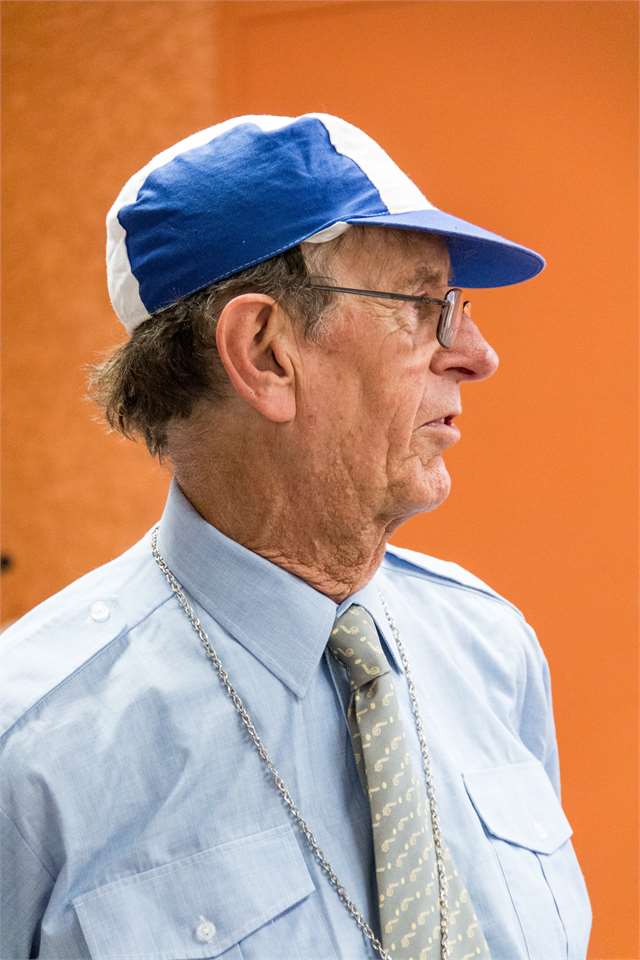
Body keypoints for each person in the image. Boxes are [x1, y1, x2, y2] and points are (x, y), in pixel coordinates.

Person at [1, 114, 591, 960]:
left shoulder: (492, 650)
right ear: (265, 353)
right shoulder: (29, 747)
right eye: (427, 307)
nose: (477, 354)